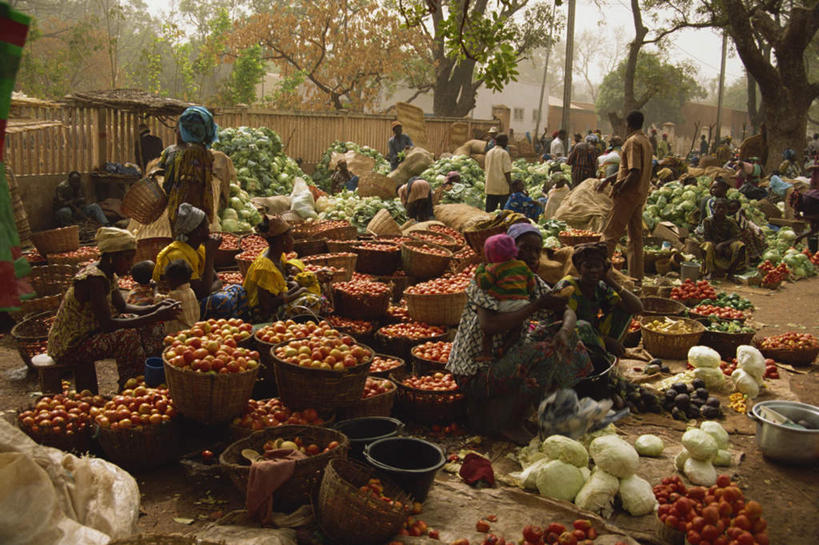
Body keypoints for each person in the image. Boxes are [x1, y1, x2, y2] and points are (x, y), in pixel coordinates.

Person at [446, 222, 593, 443]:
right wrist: (534, 306)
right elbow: (490, 325)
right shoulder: (487, 279)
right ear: (510, 249)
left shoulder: (530, 281)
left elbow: (567, 310)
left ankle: (549, 409)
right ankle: (508, 423)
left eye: (537, 250)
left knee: (571, 335)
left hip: (504, 360)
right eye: (525, 248)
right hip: (476, 371)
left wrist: (563, 331)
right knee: (545, 352)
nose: (532, 256)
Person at [47, 227, 180, 391]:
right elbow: (108, 324)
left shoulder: (108, 274)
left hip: (90, 333)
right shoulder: (93, 280)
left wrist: (156, 308)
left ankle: (153, 375)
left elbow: (123, 307)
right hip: (70, 344)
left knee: (145, 325)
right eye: (127, 258)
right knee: (127, 336)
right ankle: (130, 387)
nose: (130, 264)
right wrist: (154, 315)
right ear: (111, 256)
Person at [154, 203, 247, 319]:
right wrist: (210, 255)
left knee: (239, 289)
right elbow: (201, 293)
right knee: (223, 301)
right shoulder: (178, 255)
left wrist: (211, 288)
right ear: (197, 231)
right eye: (206, 227)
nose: (209, 230)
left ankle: (235, 326)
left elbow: (216, 280)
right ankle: (222, 329)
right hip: (182, 306)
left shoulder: (199, 249)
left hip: (199, 296)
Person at [553, 242, 643, 358]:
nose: (594, 270)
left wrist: (608, 279)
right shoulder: (568, 285)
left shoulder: (601, 287)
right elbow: (564, 322)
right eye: (588, 267)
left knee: (624, 311)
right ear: (579, 268)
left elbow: (637, 308)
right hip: (565, 337)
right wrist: (605, 340)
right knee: (582, 325)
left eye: (598, 266)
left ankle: (603, 354)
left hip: (593, 337)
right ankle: (600, 355)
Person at [597, 110, 653, 280]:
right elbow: (628, 170)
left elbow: (634, 172)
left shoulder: (632, 142)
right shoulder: (646, 142)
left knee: (610, 235)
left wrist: (619, 188)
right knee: (635, 239)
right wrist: (609, 179)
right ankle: (637, 278)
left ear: (628, 124)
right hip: (640, 195)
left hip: (628, 195)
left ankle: (600, 274)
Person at [243, 215, 321, 322]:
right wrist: (298, 291)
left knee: (315, 284)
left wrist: (295, 286)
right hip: (262, 314)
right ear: (282, 239)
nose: (293, 241)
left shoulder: (278, 256)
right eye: (290, 237)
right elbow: (266, 305)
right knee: (312, 301)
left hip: (277, 302)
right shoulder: (265, 267)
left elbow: (281, 286)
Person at [474, 234, 536, 359]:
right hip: (522, 304)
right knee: (517, 328)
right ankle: (505, 348)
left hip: (504, 304)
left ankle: (486, 354)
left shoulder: (493, 267)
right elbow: (531, 284)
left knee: (488, 332)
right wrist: (525, 293)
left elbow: (484, 283)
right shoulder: (522, 265)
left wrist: (480, 269)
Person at [159, 106, 219, 230]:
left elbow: (190, 186)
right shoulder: (204, 153)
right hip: (197, 208)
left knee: (185, 241)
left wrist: (186, 213)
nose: (178, 132)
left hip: (186, 209)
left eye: (181, 128)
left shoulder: (190, 154)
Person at [700, 198, 747, 279]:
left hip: (727, 245)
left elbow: (736, 236)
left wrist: (723, 245)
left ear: (727, 210)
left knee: (740, 245)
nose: (720, 210)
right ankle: (710, 271)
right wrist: (716, 246)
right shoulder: (707, 221)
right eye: (718, 207)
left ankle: (731, 273)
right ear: (714, 208)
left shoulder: (731, 221)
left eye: (723, 208)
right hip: (713, 245)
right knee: (707, 245)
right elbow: (706, 237)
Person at [159, 259, 200, 334]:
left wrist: (155, 290)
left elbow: (159, 301)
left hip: (178, 332)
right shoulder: (190, 291)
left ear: (174, 280)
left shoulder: (175, 294)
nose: (166, 282)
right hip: (193, 328)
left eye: (167, 280)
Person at [485, 133, 513, 212]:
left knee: (489, 212)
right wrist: (511, 187)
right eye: (506, 141)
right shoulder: (504, 153)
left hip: (490, 186)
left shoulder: (489, 153)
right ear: (503, 142)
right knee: (503, 213)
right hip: (502, 188)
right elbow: (507, 172)